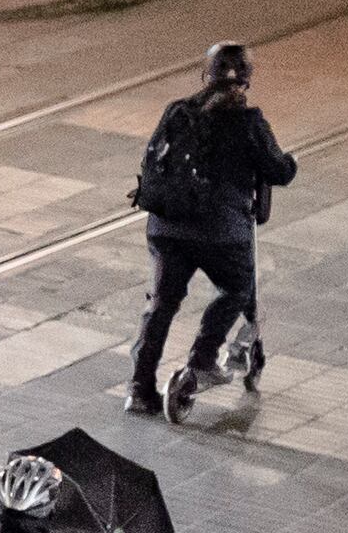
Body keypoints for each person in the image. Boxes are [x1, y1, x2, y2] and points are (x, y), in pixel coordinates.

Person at [126, 42, 297, 423]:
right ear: (247, 81)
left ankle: (139, 388)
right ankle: (202, 358)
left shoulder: (177, 112)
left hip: (167, 227)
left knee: (161, 303)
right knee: (236, 288)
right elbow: (279, 171)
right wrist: (290, 162)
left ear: (206, 75)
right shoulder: (249, 123)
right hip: (220, 233)